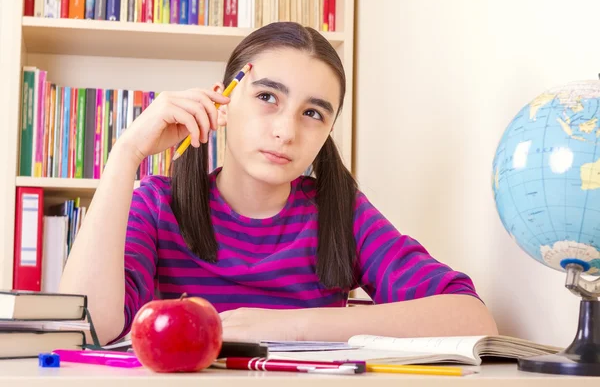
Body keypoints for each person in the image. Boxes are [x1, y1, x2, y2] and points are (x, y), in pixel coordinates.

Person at [59, 22, 498, 346]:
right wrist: (126, 154)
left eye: (313, 113)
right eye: (267, 97)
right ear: (223, 101)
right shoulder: (158, 204)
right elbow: (87, 326)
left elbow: (471, 318)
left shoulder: (338, 211)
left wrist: (280, 324)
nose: (286, 131)